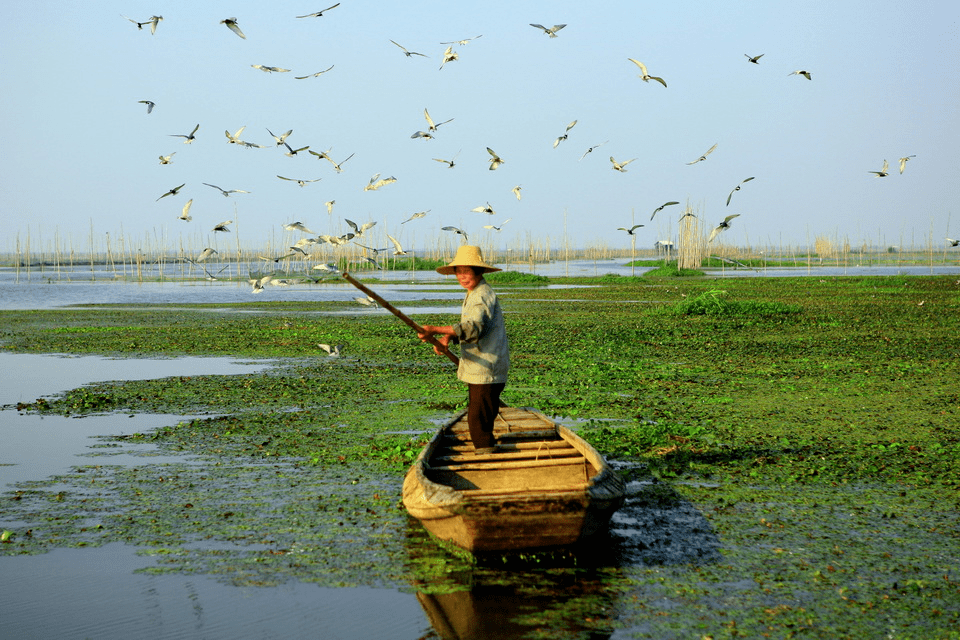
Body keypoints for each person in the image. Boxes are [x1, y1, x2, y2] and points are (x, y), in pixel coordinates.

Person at [418, 245, 509, 453]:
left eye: (467, 272)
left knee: (478, 422)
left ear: (479, 272)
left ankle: (487, 459)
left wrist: (433, 329)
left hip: (486, 368)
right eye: (459, 272)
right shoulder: (474, 292)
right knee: (481, 418)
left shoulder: (481, 296)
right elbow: (469, 328)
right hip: (479, 366)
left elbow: (473, 328)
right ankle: (488, 451)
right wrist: (447, 336)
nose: (462, 276)